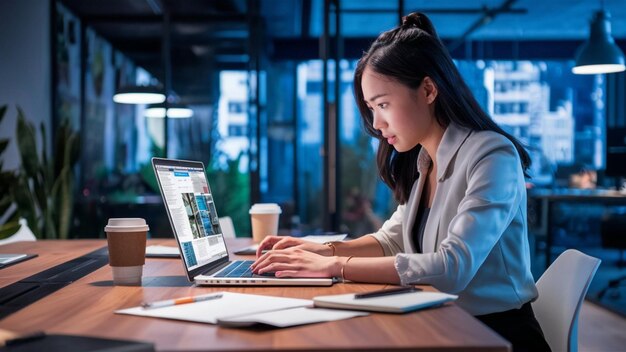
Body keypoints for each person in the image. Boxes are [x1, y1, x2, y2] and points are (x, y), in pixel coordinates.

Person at [251, 12, 550, 352]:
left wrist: (334, 265)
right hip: (441, 323)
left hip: (494, 335)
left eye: (383, 105)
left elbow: (453, 267)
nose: (377, 123)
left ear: (427, 89)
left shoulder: (492, 154)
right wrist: (318, 250)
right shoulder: (425, 160)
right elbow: (392, 240)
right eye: (371, 108)